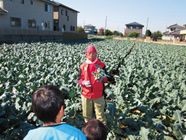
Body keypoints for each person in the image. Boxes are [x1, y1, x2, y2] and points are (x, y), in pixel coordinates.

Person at [78, 45, 108, 125]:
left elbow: (107, 78)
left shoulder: (102, 65)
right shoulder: (82, 66)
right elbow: (79, 80)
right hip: (86, 95)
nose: (92, 55)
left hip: (98, 94)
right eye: (90, 53)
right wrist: (83, 82)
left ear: (96, 54)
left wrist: (102, 79)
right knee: (86, 115)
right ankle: (89, 131)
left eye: (94, 53)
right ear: (86, 55)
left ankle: (102, 132)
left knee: (100, 115)